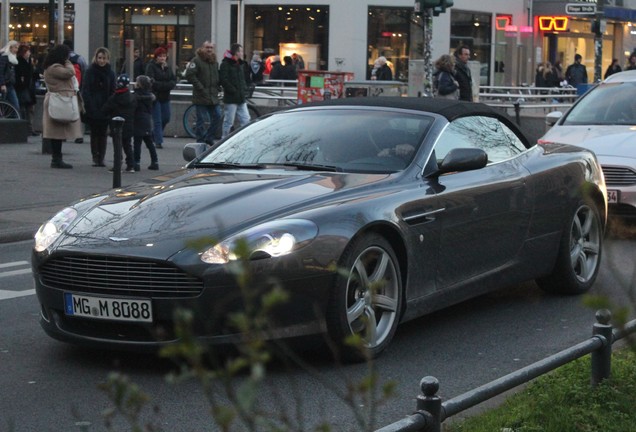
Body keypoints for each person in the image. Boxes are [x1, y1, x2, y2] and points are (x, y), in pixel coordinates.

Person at [41, 44, 82, 169]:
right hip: (59, 100)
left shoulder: (52, 67)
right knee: (56, 132)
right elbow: (70, 72)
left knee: (57, 132)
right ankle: (56, 158)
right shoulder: (55, 68)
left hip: (59, 100)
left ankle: (57, 158)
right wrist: (67, 61)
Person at [81, 47, 116, 167]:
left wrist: (109, 105)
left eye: (104, 58)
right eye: (99, 58)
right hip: (93, 106)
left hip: (106, 106)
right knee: (94, 132)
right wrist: (90, 106)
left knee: (103, 133)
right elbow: (86, 90)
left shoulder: (110, 73)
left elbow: (113, 91)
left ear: (107, 59)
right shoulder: (90, 71)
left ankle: (101, 157)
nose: (101, 61)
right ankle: (95, 157)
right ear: (96, 58)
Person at [184, 41, 221, 145]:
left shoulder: (214, 62)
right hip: (201, 95)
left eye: (211, 48)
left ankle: (209, 137)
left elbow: (216, 76)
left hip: (212, 95)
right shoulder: (196, 60)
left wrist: (218, 87)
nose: (209, 50)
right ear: (203, 48)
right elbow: (190, 75)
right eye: (207, 47)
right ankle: (200, 140)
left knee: (218, 116)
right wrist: (200, 87)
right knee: (201, 120)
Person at [102, 74, 135, 173]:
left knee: (117, 147)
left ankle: (117, 165)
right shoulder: (132, 98)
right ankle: (131, 165)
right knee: (127, 145)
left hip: (116, 125)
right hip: (128, 124)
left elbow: (105, 109)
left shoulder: (114, 98)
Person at [145, 47, 176, 149]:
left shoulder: (168, 68)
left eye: (164, 56)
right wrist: (165, 85)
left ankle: (154, 134)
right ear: (156, 57)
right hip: (155, 97)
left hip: (165, 97)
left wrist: (163, 85)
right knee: (157, 120)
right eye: (160, 56)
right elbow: (152, 82)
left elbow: (173, 81)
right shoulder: (151, 67)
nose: (162, 58)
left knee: (166, 118)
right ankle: (158, 141)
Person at [219, 43, 251, 139]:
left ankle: (244, 138)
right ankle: (224, 138)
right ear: (237, 52)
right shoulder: (226, 64)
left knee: (246, 119)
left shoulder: (240, 64)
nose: (242, 53)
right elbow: (223, 80)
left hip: (240, 96)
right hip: (231, 97)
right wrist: (233, 89)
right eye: (241, 51)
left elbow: (242, 79)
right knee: (229, 121)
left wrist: (244, 88)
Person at [132, 75, 159, 171]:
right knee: (150, 143)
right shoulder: (150, 96)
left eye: (136, 82)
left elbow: (133, 107)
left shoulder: (136, 95)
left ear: (139, 85)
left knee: (137, 143)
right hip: (147, 121)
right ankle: (155, 161)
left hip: (138, 120)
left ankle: (136, 162)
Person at [14, 44, 38, 135]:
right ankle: (28, 128)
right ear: (24, 53)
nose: (29, 53)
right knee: (26, 109)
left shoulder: (27, 62)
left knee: (28, 109)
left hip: (27, 88)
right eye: (28, 51)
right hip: (25, 89)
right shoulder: (21, 62)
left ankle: (29, 128)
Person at [0, 40, 20, 111]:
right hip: (4, 85)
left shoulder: (13, 58)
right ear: (10, 48)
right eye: (15, 48)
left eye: (17, 48)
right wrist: (2, 84)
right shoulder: (4, 57)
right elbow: (1, 71)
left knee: (15, 106)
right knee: (4, 106)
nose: (16, 50)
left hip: (10, 85)